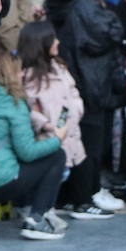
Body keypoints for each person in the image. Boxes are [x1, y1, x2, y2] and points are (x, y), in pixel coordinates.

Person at [46, 0, 126, 219]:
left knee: (76, 137)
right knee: (90, 142)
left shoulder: (62, 1)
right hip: (91, 81)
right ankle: (83, 199)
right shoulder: (85, 4)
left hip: (72, 78)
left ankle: (72, 197)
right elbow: (108, 32)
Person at [0, 51, 67, 240]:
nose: (22, 74)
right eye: (19, 71)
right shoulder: (12, 102)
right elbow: (27, 152)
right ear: (10, 73)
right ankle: (36, 220)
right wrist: (57, 139)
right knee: (57, 155)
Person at [19, 19, 85, 207]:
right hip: (46, 138)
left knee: (61, 174)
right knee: (47, 176)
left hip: (66, 133)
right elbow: (25, 106)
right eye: (53, 38)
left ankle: (44, 211)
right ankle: (37, 212)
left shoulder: (60, 67)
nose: (58, 42)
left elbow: (73, 93)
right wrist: (47, 125)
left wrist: (73, 114)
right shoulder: (27, 75)